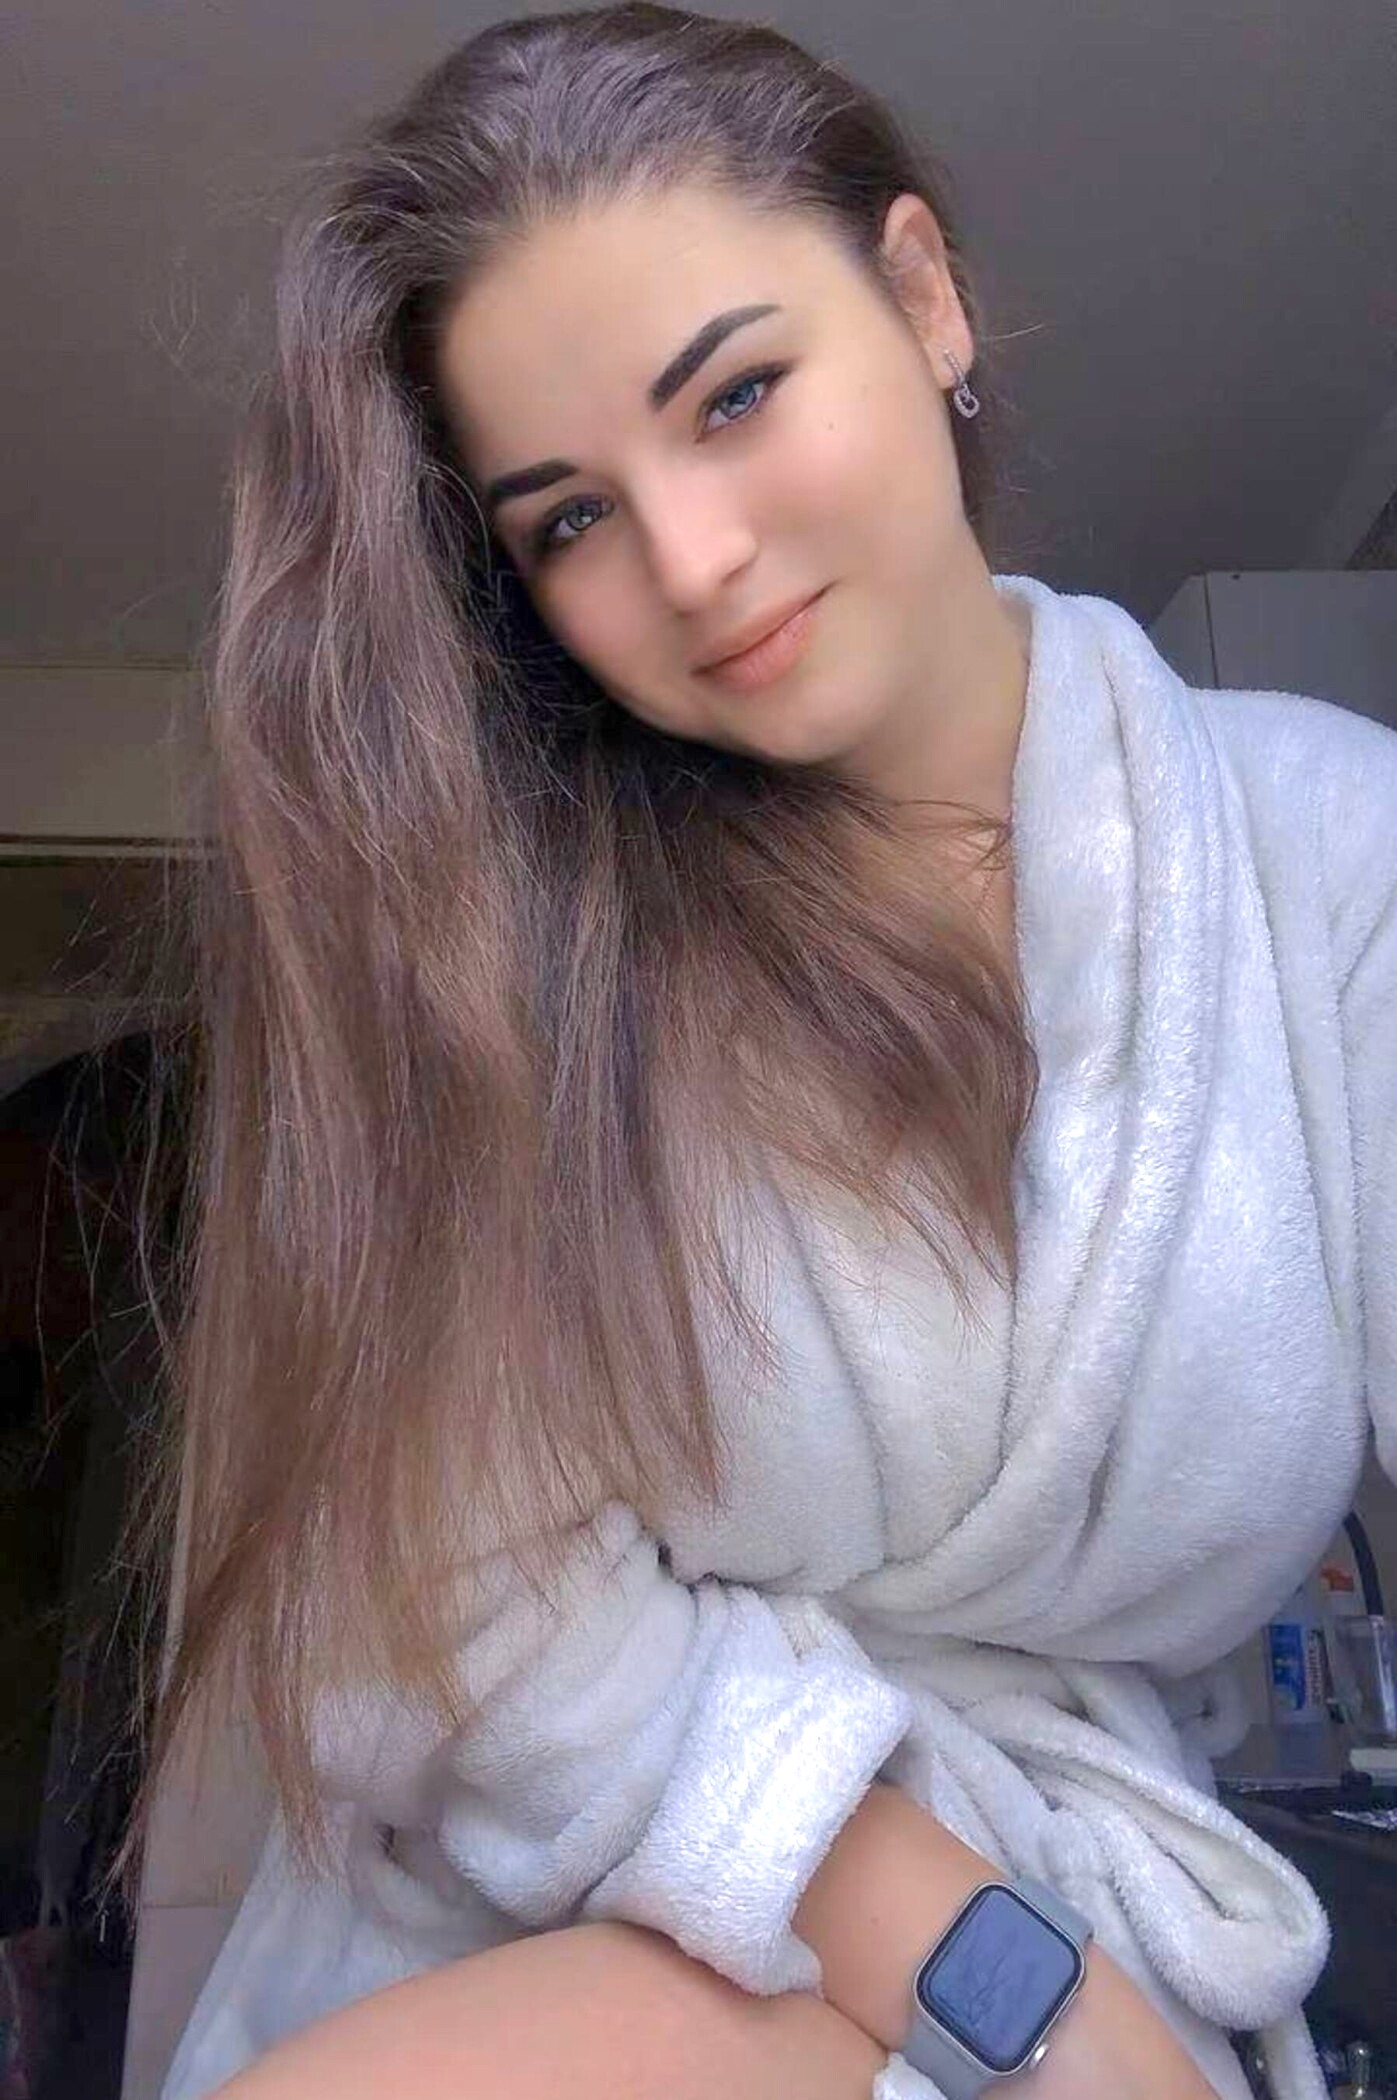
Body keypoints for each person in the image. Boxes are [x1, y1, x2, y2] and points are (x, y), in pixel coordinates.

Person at [119, 8, 1397, 2100]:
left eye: (734, 395)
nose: (692, 563)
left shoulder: (1327, 864)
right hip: (591, 1926)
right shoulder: (508, 966)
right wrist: (1017, 1989)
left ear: (923, 297)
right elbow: (462, 1620)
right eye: (568, 522)